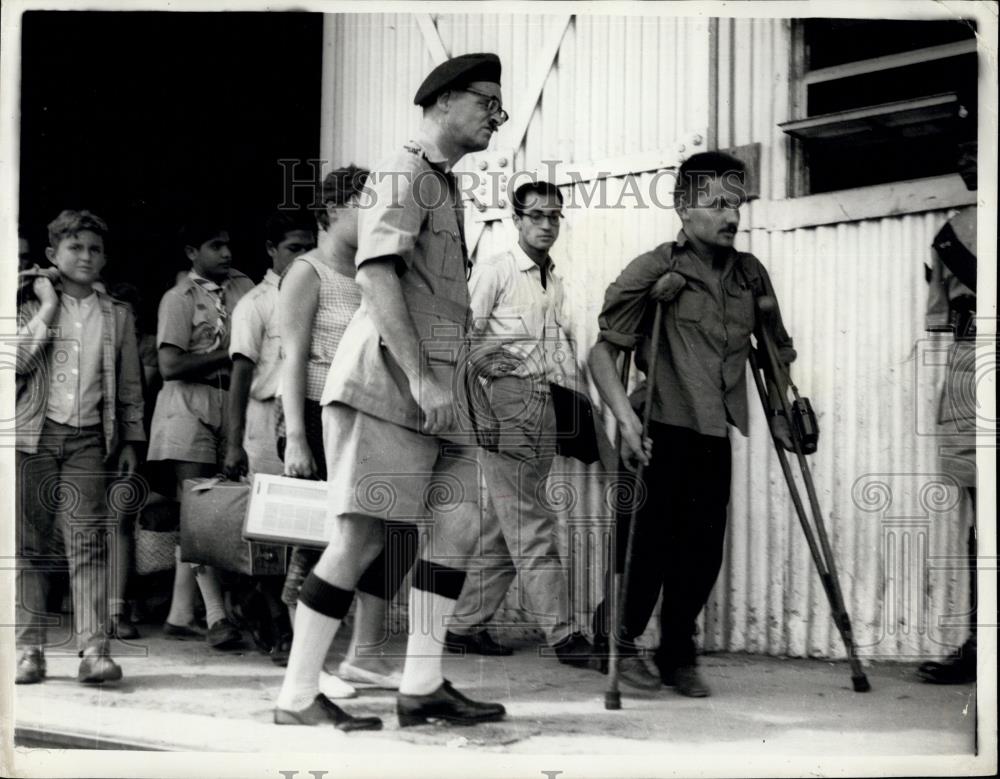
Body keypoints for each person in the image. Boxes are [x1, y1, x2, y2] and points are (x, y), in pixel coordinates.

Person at [274, 52, 509, 730]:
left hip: (440, 392)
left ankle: (422, 684)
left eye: (499, 104)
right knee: (360, 537)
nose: (496, 115)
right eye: (485, 101)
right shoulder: (402, 175)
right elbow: (377, 280)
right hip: (389, 385)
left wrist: (454, 385)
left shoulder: (442, 183)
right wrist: (424, 379)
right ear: (441, 103)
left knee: (459, 525)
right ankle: (295, 696)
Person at [587, 151, 796, 697]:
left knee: (703, 551)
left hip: (714, 432)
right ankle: (617, 640)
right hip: (657, 426)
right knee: (647, 546)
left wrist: (781, 414)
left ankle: (677, 652)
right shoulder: (655, 268)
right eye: (717, 204)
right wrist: (626, 420)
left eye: (738, 203)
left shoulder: (751, 275)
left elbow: (774, 355)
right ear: (684, 207)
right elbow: (602, 355)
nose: (731, 216)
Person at [275, 166, 419, 697]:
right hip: (316, 413)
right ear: (333, 211)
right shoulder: (307, 272)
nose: (377, 215)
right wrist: (295, 436)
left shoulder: (378, 269)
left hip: (370, 411)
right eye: (365, 204)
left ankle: (363, 657)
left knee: (391, 537)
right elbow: (291, 358)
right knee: (322, 543)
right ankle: (306, 667)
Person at [444, 180, 593, 666]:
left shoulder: (552, 278)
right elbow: (461, 336)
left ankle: (463, 626)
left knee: (507, 527)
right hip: (507, 403)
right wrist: (487, 399)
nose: (547, 224)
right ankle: (565, 636)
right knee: (532, 524)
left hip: (543, 402)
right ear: (516, 220)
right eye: (536, 216)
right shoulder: (498, 269)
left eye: (554, 216)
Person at [14, 209, 145, 685]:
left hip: (90, 438)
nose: (85, 257)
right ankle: (29, 650)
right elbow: (16, 365)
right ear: (52, 255)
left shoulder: (118, 315)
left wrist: (132, 439)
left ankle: (94, 649)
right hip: (35, 435)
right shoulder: (26, 302)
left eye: (94, 249)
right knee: (30, 547)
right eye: (74, 248)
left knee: (88, 542)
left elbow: (130, 384)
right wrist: (47, 306)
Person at [147, 217, 254, 649]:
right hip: (186, 407)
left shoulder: (243, 289)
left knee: (215, 513)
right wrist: (224, 355)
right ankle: (215, 617)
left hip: (229, 405)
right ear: (192, 252)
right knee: (200, 511)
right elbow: (170, 365)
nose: (226, 254)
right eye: (214, 246)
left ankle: (177, 615)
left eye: (228, 245)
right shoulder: (178, 299)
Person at [917, 139, 978, 685]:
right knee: (981, 510)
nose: (964, 158)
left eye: (978, 144)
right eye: (959, 148)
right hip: (971, 362)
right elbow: (939, 318)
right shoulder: (947, 233)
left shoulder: (951, 234)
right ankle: (980, 644)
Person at [223, 211, 316, 481]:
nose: (303, 256)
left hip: (308, 412)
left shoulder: (319, 292)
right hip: (264, 418)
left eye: (309, 249)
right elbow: (241, 376)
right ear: (271, 249)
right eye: (293, 248)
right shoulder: (255, 304)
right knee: (270, 506)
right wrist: (234, 444)